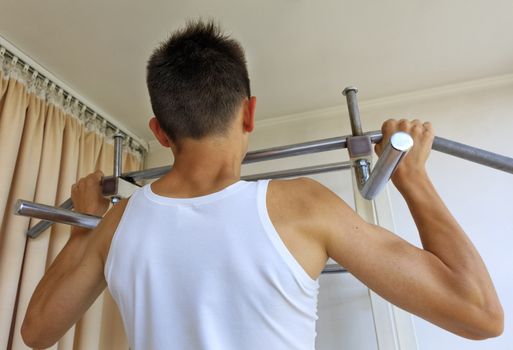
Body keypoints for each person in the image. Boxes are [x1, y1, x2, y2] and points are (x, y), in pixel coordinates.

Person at [21, 20, 503, 349]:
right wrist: (413, 178)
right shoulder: (301, 206)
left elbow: (36, 331)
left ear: (160, 132)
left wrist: (87, 229)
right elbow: (479, 313)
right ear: (250, 112)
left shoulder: (119, 222)